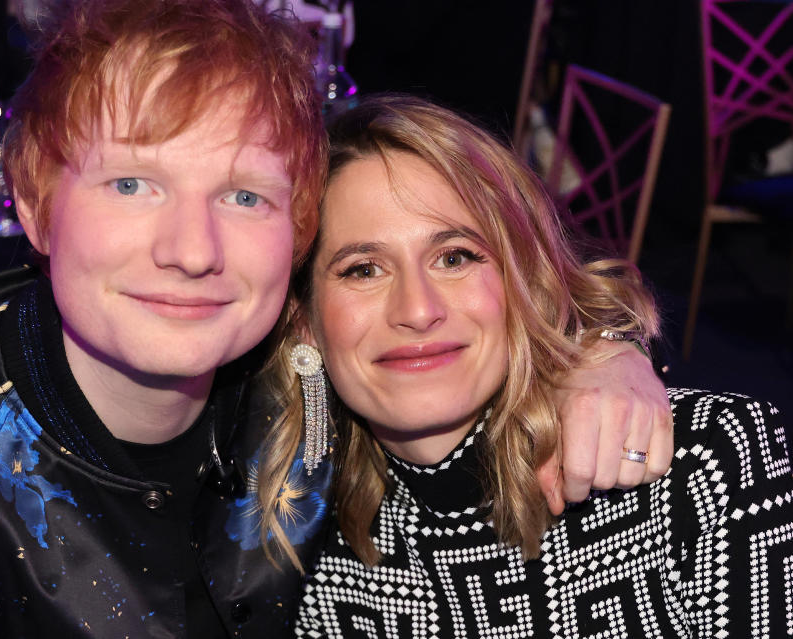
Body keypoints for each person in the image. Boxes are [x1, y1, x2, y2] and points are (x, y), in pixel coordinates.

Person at [0, 3, 669, 638]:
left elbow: (473, 312)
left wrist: (598, 352)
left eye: (243, 195)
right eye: (132, 183)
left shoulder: (301, 368)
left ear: (296, 231)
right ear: (35, 204)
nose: (193, 250)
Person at [289, 95, 793, 638]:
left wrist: (610, 342)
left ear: (521, 280)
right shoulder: (283, 542)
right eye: (363, 269)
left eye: (455, 257)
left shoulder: (703, 467)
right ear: (304, 322)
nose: (417, 309)